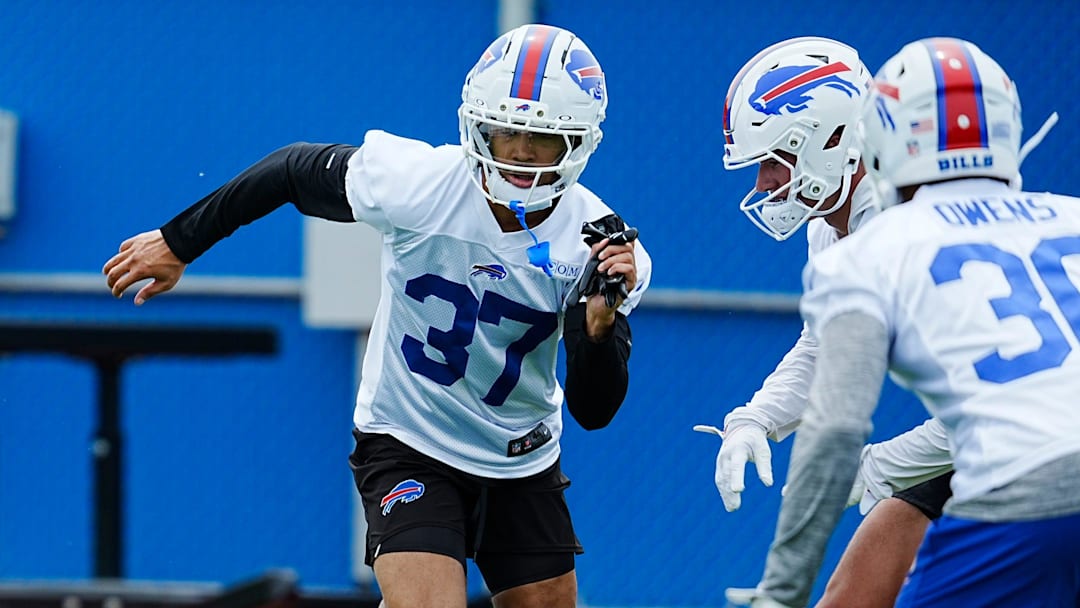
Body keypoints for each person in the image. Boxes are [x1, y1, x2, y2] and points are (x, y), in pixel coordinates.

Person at [102, 23, 651, 608]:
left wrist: (595, 327)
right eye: (504, 129)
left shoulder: (599, 247)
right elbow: (291, 169)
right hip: (409, 436)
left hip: (521, 457)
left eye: (539, 138)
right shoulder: (421, 183)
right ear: (476, 124)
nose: (517, 152)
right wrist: (180, 241)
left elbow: (595, 411)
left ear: (578, 144)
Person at [743, 37, 1080, 607]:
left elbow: (836, 429)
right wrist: (756, 416)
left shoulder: (878, 245)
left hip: (1026, 495)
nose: (763, 182)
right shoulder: (1069, 216)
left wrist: (782, 590)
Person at [693, 37, 953, 607]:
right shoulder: (836, 222)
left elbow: (997, 406)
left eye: (772, 160)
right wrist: (754, 419)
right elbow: (825, 348)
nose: (762, 183)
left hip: (1038, 447)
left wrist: (876, 466)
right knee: (850, 594)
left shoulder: (909, 226)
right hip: (1003, 440)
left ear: (831, 141)